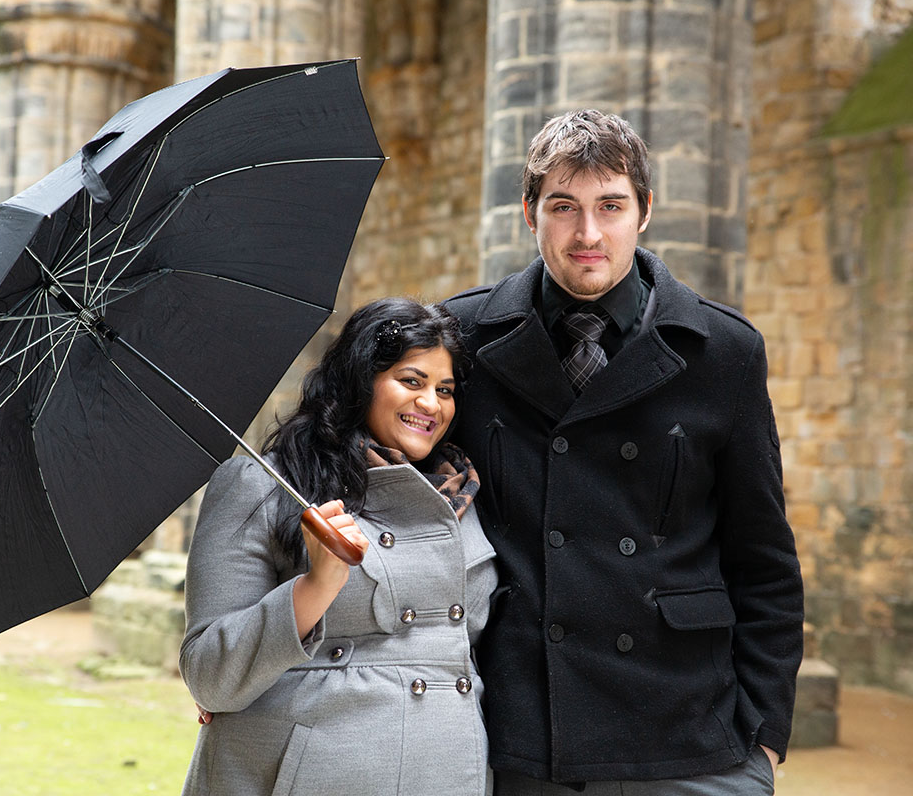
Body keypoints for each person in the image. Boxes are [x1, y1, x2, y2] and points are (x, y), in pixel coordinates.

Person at [444, 109, 804, 795]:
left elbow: (763, 559)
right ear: (529, 213)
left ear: (643, 213)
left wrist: (763, 740)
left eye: (610, 206)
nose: (588, 233)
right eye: (564, 207)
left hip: (688, 736)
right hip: (519, 733)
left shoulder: (724, 352)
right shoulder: (462, 338)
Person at [179, 297, 498, 795]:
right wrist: (316, 585)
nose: (431, 404)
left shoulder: (464, 489)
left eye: (445, 389)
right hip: (319, 767)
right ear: (358, 380)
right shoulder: (263, 485)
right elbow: (210, 676)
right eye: (411, 381)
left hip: (446, 766)